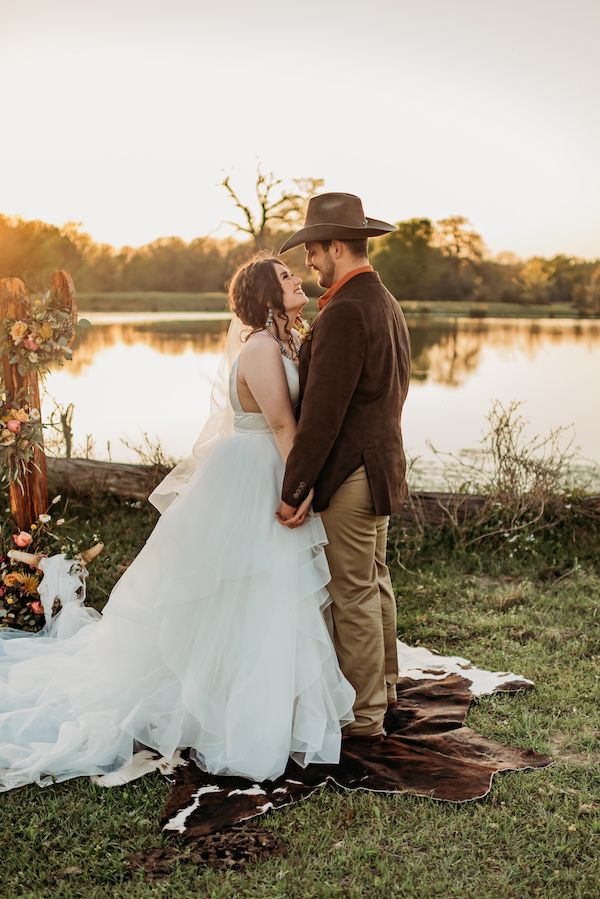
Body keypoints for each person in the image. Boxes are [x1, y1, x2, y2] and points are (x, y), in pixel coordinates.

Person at [0, 256, 355, 792]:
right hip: (254, 475)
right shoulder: (260, 347)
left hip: (270, 467)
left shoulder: (287, 341)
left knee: (266, 595)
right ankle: (229, 714)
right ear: (264, 296)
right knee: (249, 590)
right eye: (285, 276)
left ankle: (263, 701)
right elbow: (283, 424)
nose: (297, 279)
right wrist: (299, 490)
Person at [277, 192, 411, 739]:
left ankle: (363, 717)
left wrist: (295, 487)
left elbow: (322, 418)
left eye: (312, 249)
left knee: (351, 592)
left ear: (336, 245)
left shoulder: (347, 310)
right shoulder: (382, 300)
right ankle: (386, 690)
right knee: (373, 582)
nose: (308, 260)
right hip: (381, 466)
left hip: (352, 474)